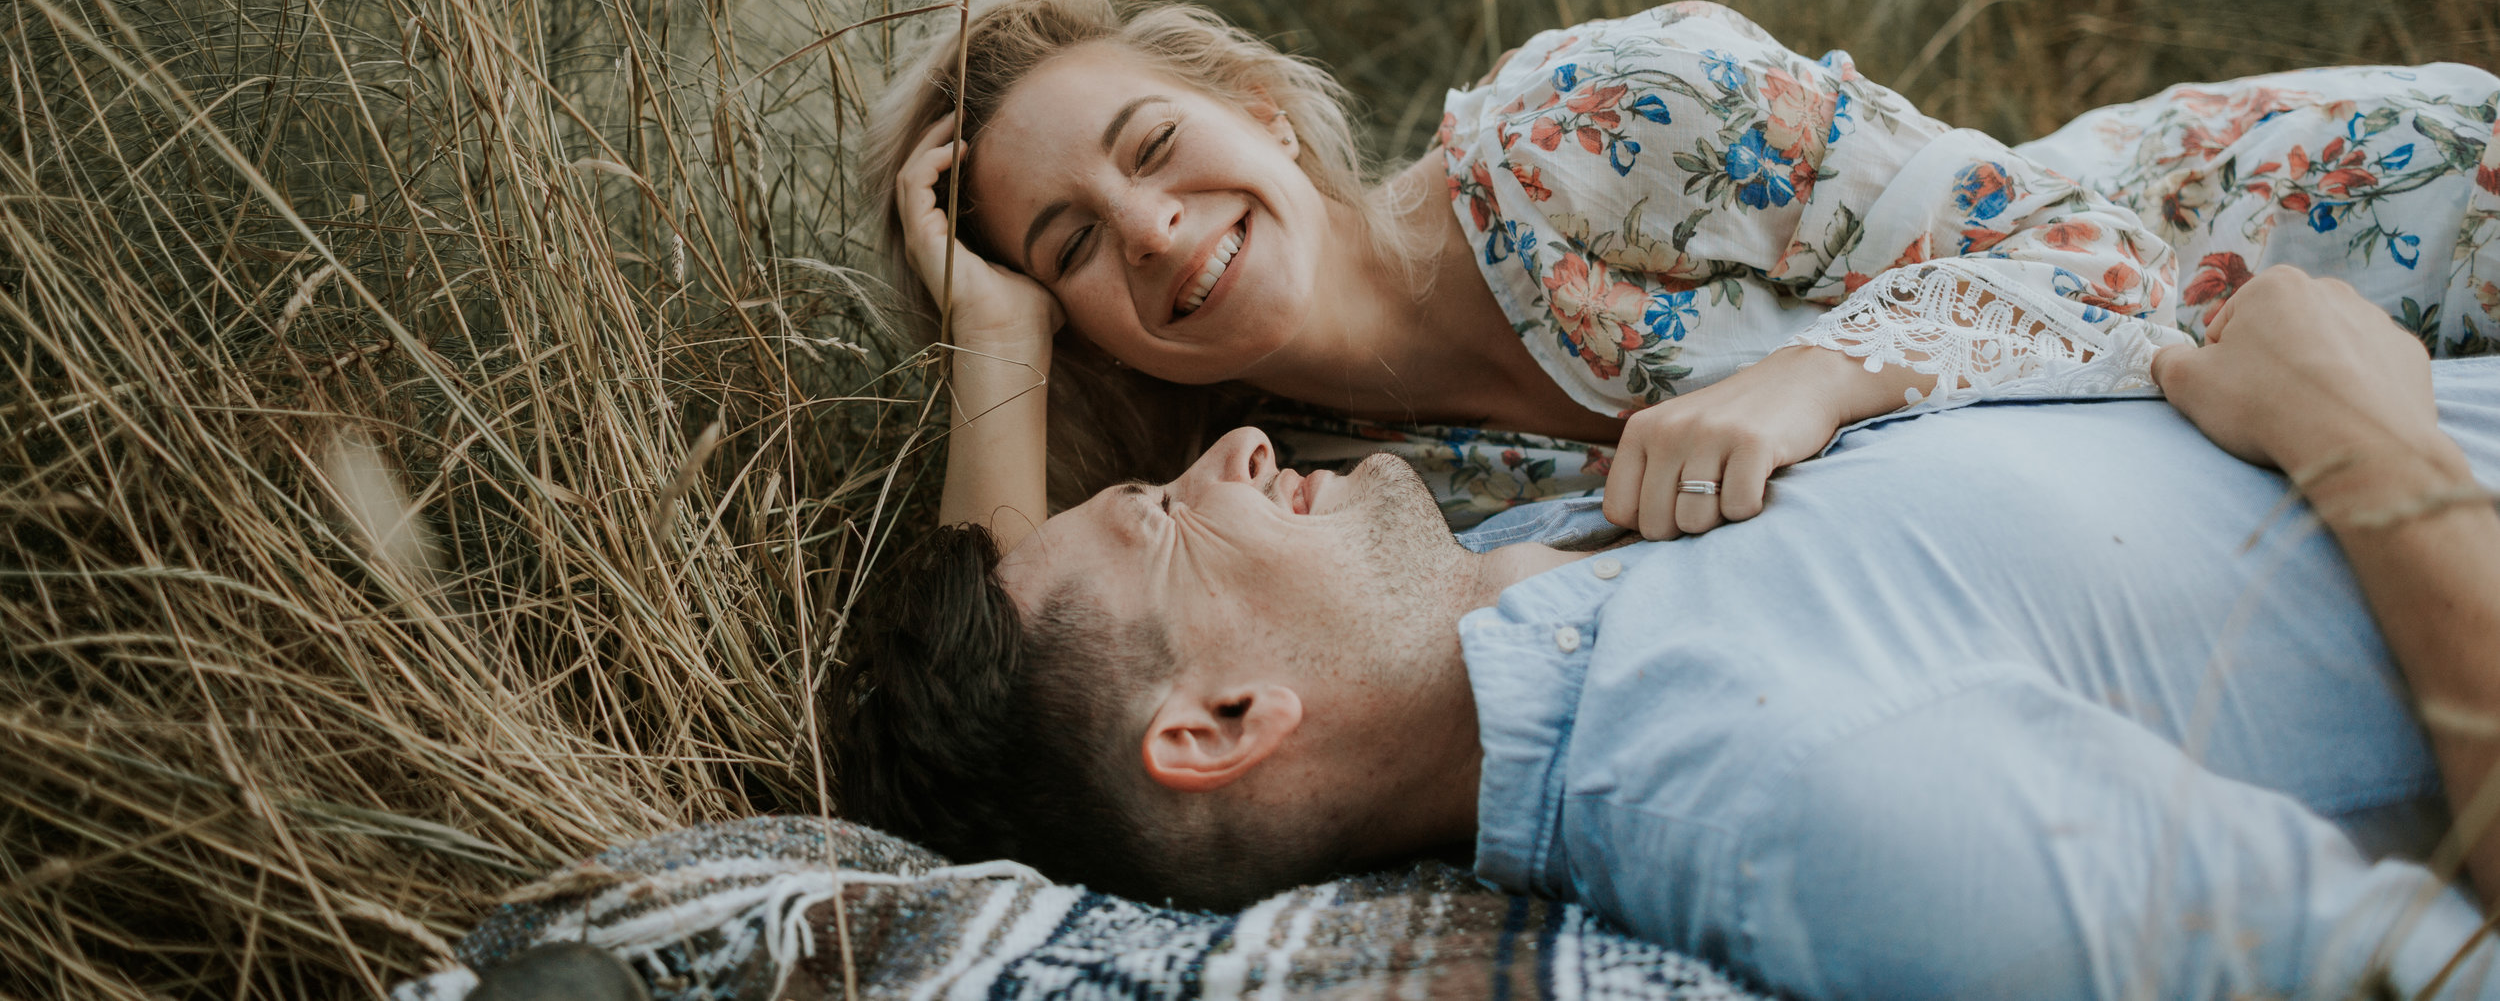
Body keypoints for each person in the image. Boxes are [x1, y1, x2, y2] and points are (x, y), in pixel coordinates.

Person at [833, 268, 2500, 1000]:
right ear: (1221, 723)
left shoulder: (1528, 557)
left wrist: (1001, 332)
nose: (1229, 454)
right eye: (1167, 514)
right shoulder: (1793, 780)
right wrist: (2374, 443)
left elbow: (1024, 667)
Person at [868, 0, 2500, 543]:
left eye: (1155, 149)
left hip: (2344, 225)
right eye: (1070, 246)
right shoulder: (1309, 490)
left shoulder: (1590, 121)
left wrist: (1815, 379)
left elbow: (2101, 256)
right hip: (2261, 479)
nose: (1153, 230)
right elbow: (1022, 694)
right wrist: (995, 351)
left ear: (1259, 115)